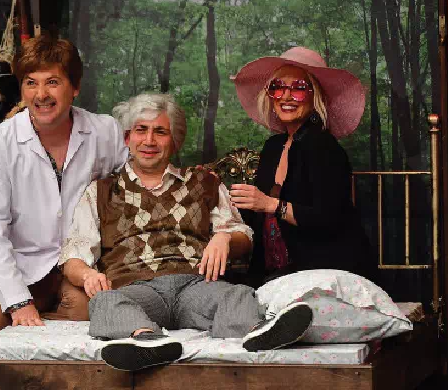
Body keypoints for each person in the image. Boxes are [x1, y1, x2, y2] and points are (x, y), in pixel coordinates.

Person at [59, 93, 314, 372]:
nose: (149, 141)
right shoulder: (101, 191)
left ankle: (260, 331)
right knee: (105, 302)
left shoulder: (204, 183)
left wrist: (225, 237)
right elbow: (73, 255)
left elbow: (244, 237)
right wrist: (88, 275)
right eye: (141, 130)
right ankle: (147, 340)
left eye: (160, 132)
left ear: (175, 141)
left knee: (237, 294)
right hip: (135, 289)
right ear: (127, 138)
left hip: (196, 284)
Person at [0, 36, 128, 343]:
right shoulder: (0, 142)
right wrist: (18, 302)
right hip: (22, 270)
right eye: (31, 83)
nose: (41, 95)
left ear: (75, 87)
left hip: (85, 266)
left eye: (52, 82)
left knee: (91, 328)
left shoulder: (105, 132)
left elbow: (135, 190)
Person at [230, 47, 376, 286]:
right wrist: (215, 194)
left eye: (298, 88)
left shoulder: (323, 146)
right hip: (276, 274)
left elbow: (329, 219)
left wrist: (270, 204)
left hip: (328, 272)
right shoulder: (273, 147)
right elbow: (256, 214)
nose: (286, 96)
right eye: (278, 87)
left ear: (315, 97)